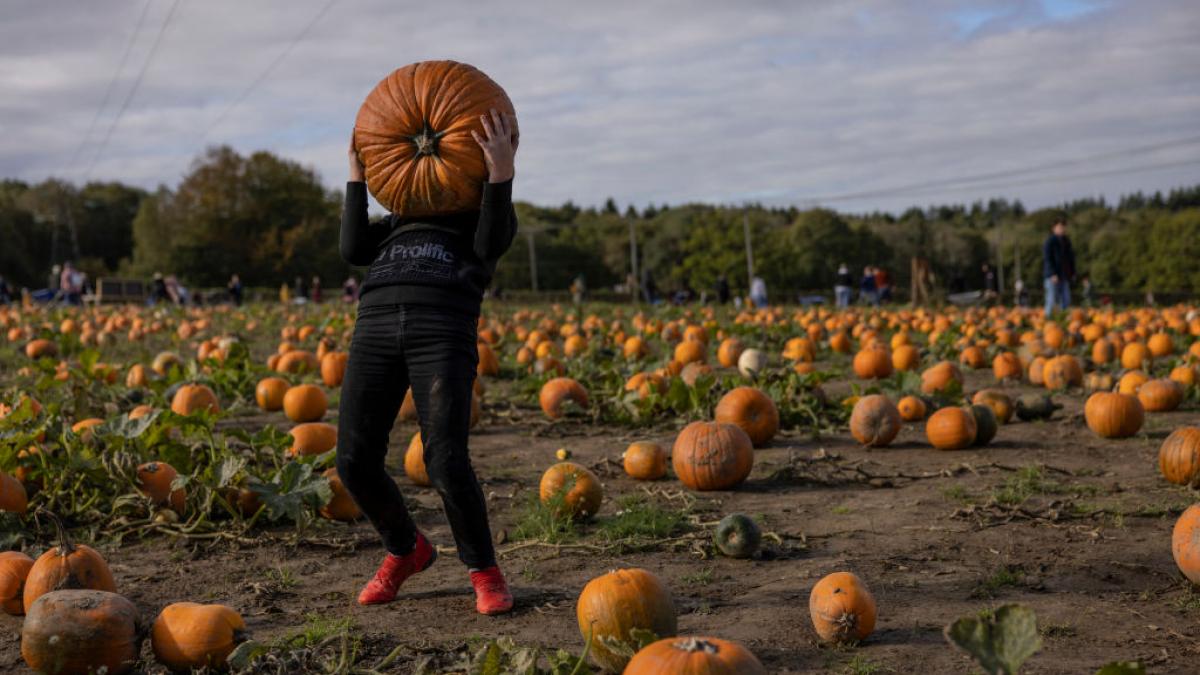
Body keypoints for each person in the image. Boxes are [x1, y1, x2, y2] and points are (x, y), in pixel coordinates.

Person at [338, 108, 518, 615]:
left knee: (444, 460)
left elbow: (491, 244)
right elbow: (352, 248)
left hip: (440, 329)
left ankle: (484, 571)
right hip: (373, 328)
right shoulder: (395, 220)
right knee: (353, 460)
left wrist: (500, 174)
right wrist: (357, 174)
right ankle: (405, 548)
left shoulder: (476, 214)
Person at [1042, 217, 1075, 316]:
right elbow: (1047, 259)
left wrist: (1072, 272)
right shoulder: (1050, 241)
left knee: (1066, 299)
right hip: (1052, 276)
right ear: (1054, 228)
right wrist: (1052, 273)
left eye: (1063, 227)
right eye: (1060, 227)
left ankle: (1063, 318)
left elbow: (1071, 259)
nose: (1062, 229)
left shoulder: (1066, 241)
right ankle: (1048, 319)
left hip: (1064, 274)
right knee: (1051, 298)